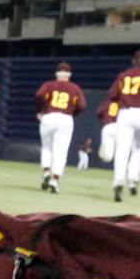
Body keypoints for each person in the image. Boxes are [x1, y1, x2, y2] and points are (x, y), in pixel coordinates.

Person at [104, 49, 140, 201]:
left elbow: (113, 96)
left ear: (133, 61)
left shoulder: (123, 76)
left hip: (125, 113)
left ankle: (118, 181)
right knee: (139, 147)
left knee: (122, 149)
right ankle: (133, 180)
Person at [33, 62, 84, 193]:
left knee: (47, 148)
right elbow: (81, 106)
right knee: (61, 151)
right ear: (69, 74)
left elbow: (39, 95)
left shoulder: (49, 85)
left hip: (49, 116)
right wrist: (73, 113)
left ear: (56, 73)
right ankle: (55, 180)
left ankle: (46, 172)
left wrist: (40, 110)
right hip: (65, 118)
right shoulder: (75, 88)